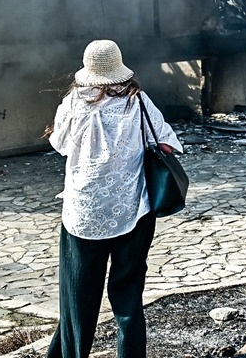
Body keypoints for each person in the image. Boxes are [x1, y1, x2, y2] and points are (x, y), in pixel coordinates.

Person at [45, 39, 183, 358]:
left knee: (78, 300)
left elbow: (60, 144)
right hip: (132, 211)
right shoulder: (138, 102)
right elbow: (167, 145)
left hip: (83, 216)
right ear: (119, 70)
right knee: (128, 297)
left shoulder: (73, 102)